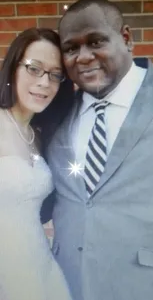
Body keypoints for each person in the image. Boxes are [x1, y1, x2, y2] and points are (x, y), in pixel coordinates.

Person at [41, 0, 153, 300]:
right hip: (67, 285)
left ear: (126, 38)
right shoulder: (54, 111)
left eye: (96, 42)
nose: (83, 57)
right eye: (71, 48)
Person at [0, 27, 74, 300]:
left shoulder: (40, 136)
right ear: (13, 67)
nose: (45, 82)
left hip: (39, 267)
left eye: (55, 75)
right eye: (34, 69)